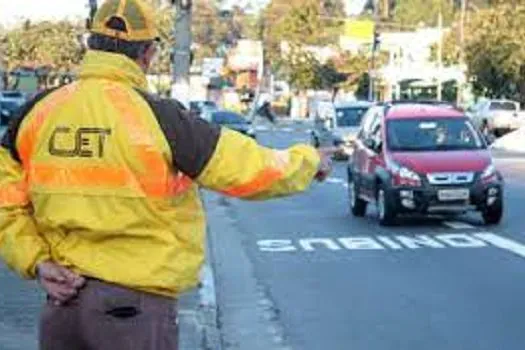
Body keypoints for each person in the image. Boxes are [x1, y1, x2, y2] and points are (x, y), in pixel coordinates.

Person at [0, 0, 334, 349]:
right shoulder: (158, 116)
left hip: (62, 305)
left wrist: (36, 262)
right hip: (134, 312)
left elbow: (5, 202)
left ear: (90, 44)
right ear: (147, 53)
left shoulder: (35, 114)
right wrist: (308, 162)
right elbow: (245, 169)